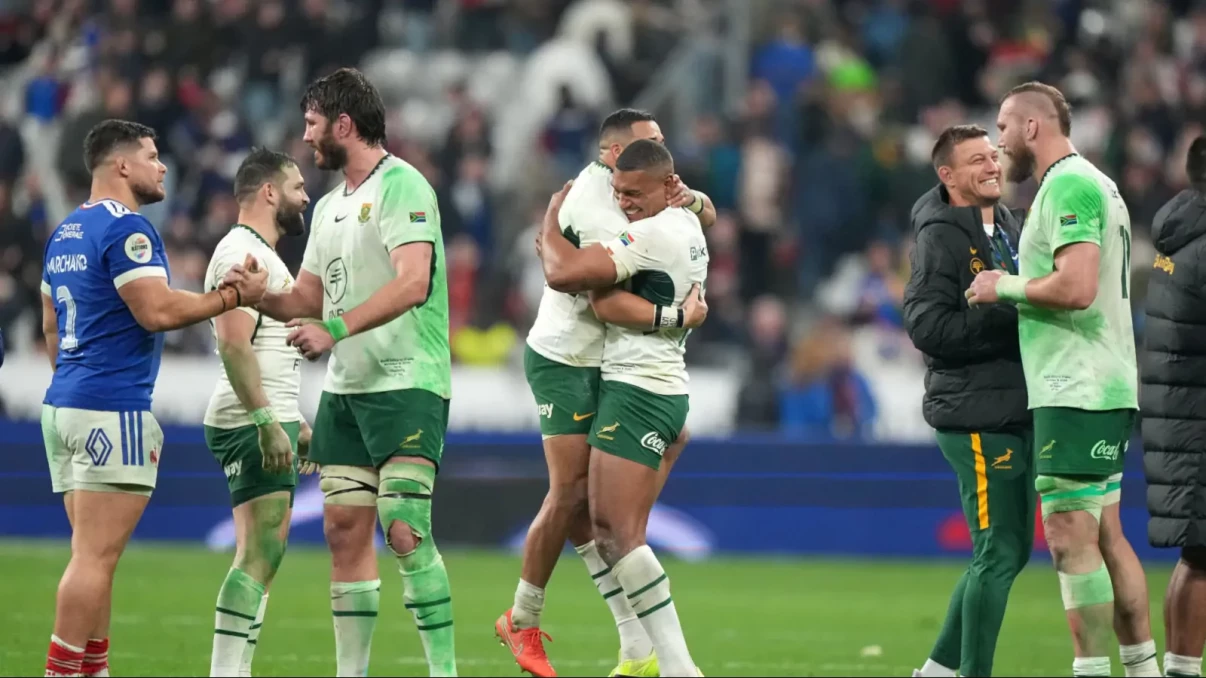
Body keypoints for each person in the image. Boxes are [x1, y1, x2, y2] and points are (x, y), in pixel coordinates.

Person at [40, 119, 268, 678]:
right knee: (94, 558)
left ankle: (93, 670)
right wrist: (233, 295)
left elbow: (50, 325)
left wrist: (75, 379)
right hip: (110, 407)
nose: (161, 165)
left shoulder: (65, 232)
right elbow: (158, 311)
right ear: (122, 165)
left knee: (94, 555)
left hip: (64, 402)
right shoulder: (127, 229)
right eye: (152, 154)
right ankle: (62, 672)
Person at [253, 68, 455, 677]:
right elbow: (307, 299)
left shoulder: (403, 186)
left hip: (408, 379)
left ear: (345, 124)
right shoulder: (330, 207)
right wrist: (253, 293)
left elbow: (414, 283)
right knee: (343, 529)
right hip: (347, 389)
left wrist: (335, 330)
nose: (306, 137)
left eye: (313, 124)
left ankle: (443, 673)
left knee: (403, 527)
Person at [498, 108, 712, 678]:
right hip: (566, 357)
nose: (666, 149)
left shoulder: (657, 205)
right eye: (652, 143)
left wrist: (692, 201)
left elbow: (703, 210)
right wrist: (547, 227)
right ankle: (530, 621)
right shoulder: (600, 205)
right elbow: (573, 280)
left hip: (616, 368)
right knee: (574, 497)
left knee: (602, 514)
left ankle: (641, 649)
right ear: (614, 155)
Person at [966, 81, 1159, 678]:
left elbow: (1075, 288)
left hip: (1077, 385)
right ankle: (1143, 669)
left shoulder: (1071, 185)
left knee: (1068, 534)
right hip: (1102, 380)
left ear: (1032, 127)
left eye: (1002, 127)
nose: (997, 144)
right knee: (1105, 535)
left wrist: (1006, 286)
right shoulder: (1098, 182)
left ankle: (1091, 672)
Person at [903, 125, 1031, 677]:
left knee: (1009, 551)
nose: (992, 166)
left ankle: (935, 671)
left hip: (1009, 406)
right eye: (977, 160)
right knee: (998, 552)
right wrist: (1006, 313)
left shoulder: (1006, 224)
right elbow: (926, 326)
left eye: (993, 156)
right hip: (974, 412)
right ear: (947, 175)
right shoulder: (941, 237)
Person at [202, 148, 314, 677]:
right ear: (269, 192)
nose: (305, 196)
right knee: (259, 551)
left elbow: (267, 347)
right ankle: (226, 672)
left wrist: (296, 423)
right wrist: (269, 422)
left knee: (264, 552)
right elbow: (234, 344)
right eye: (296, 186)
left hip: (266, 415)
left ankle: (236, 670)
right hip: (250, 420)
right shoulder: (241, 256)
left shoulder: (260, 253)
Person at [1141, 135, 1206, 678]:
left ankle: (1180, 668)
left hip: (1180, 414)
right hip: (1197, 417)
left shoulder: (1177, 234)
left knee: (1198, 553)